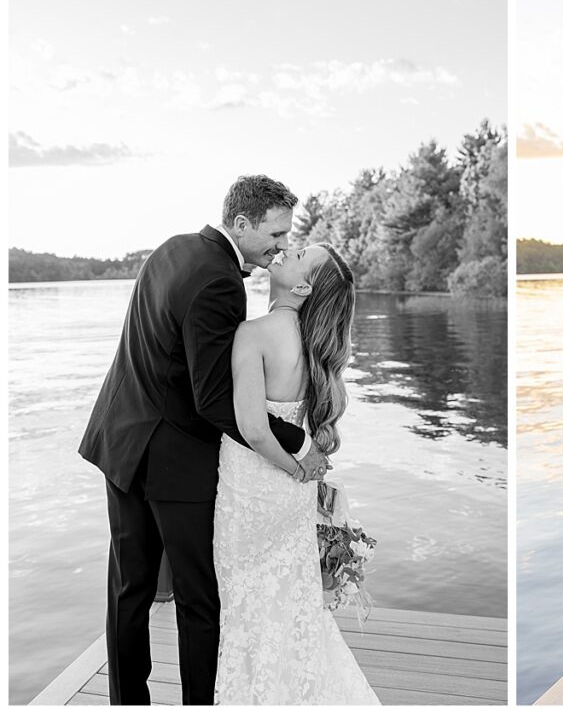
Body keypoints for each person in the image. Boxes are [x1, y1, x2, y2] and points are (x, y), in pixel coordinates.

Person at [79, 175, 330, 705]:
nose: (281, 245)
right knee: (199, 600)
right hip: (174, 462)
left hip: (120, 440)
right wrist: (298, 441)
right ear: (241, 224)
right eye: (276, 233)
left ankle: (126, 703)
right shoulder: (220, 281)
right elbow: (215, 400)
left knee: (129, 589)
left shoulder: (172, 249)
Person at [212, 242, 379, 704]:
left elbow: (253, 429)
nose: (288, 249)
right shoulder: (313, 345)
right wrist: (302, 473)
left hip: (249, 494)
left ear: (303, 285)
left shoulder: (254, 332)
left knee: (247, 612)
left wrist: (295, 466)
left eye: (301, 253)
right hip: (288, 502)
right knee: (291, 609)